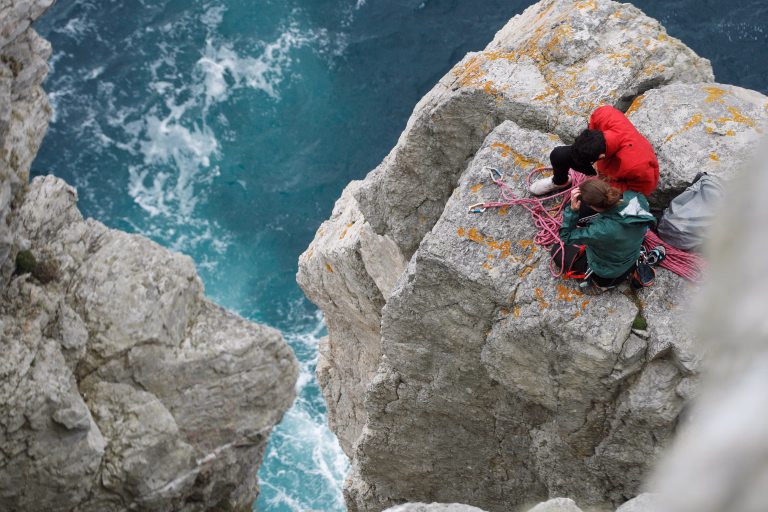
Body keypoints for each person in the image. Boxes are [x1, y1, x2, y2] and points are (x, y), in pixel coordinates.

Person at [553, 178, 663, 295]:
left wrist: (573, 210)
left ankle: (603, 285)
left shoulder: (600, 230)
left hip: (609, 273)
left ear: (592, 206)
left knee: (557, 251)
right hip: (631, 256)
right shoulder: (636, 198)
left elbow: (566, 235)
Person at [530, 105, 660, 197]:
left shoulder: (636, 166)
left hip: (617, 177)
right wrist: (596, 165)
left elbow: (639, 191)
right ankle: (560, 182)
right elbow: (594, 123)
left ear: (601, 156)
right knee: (559, 155)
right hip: (603, 162)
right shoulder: (605, 115)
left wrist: (604, 182)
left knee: (585, 199)